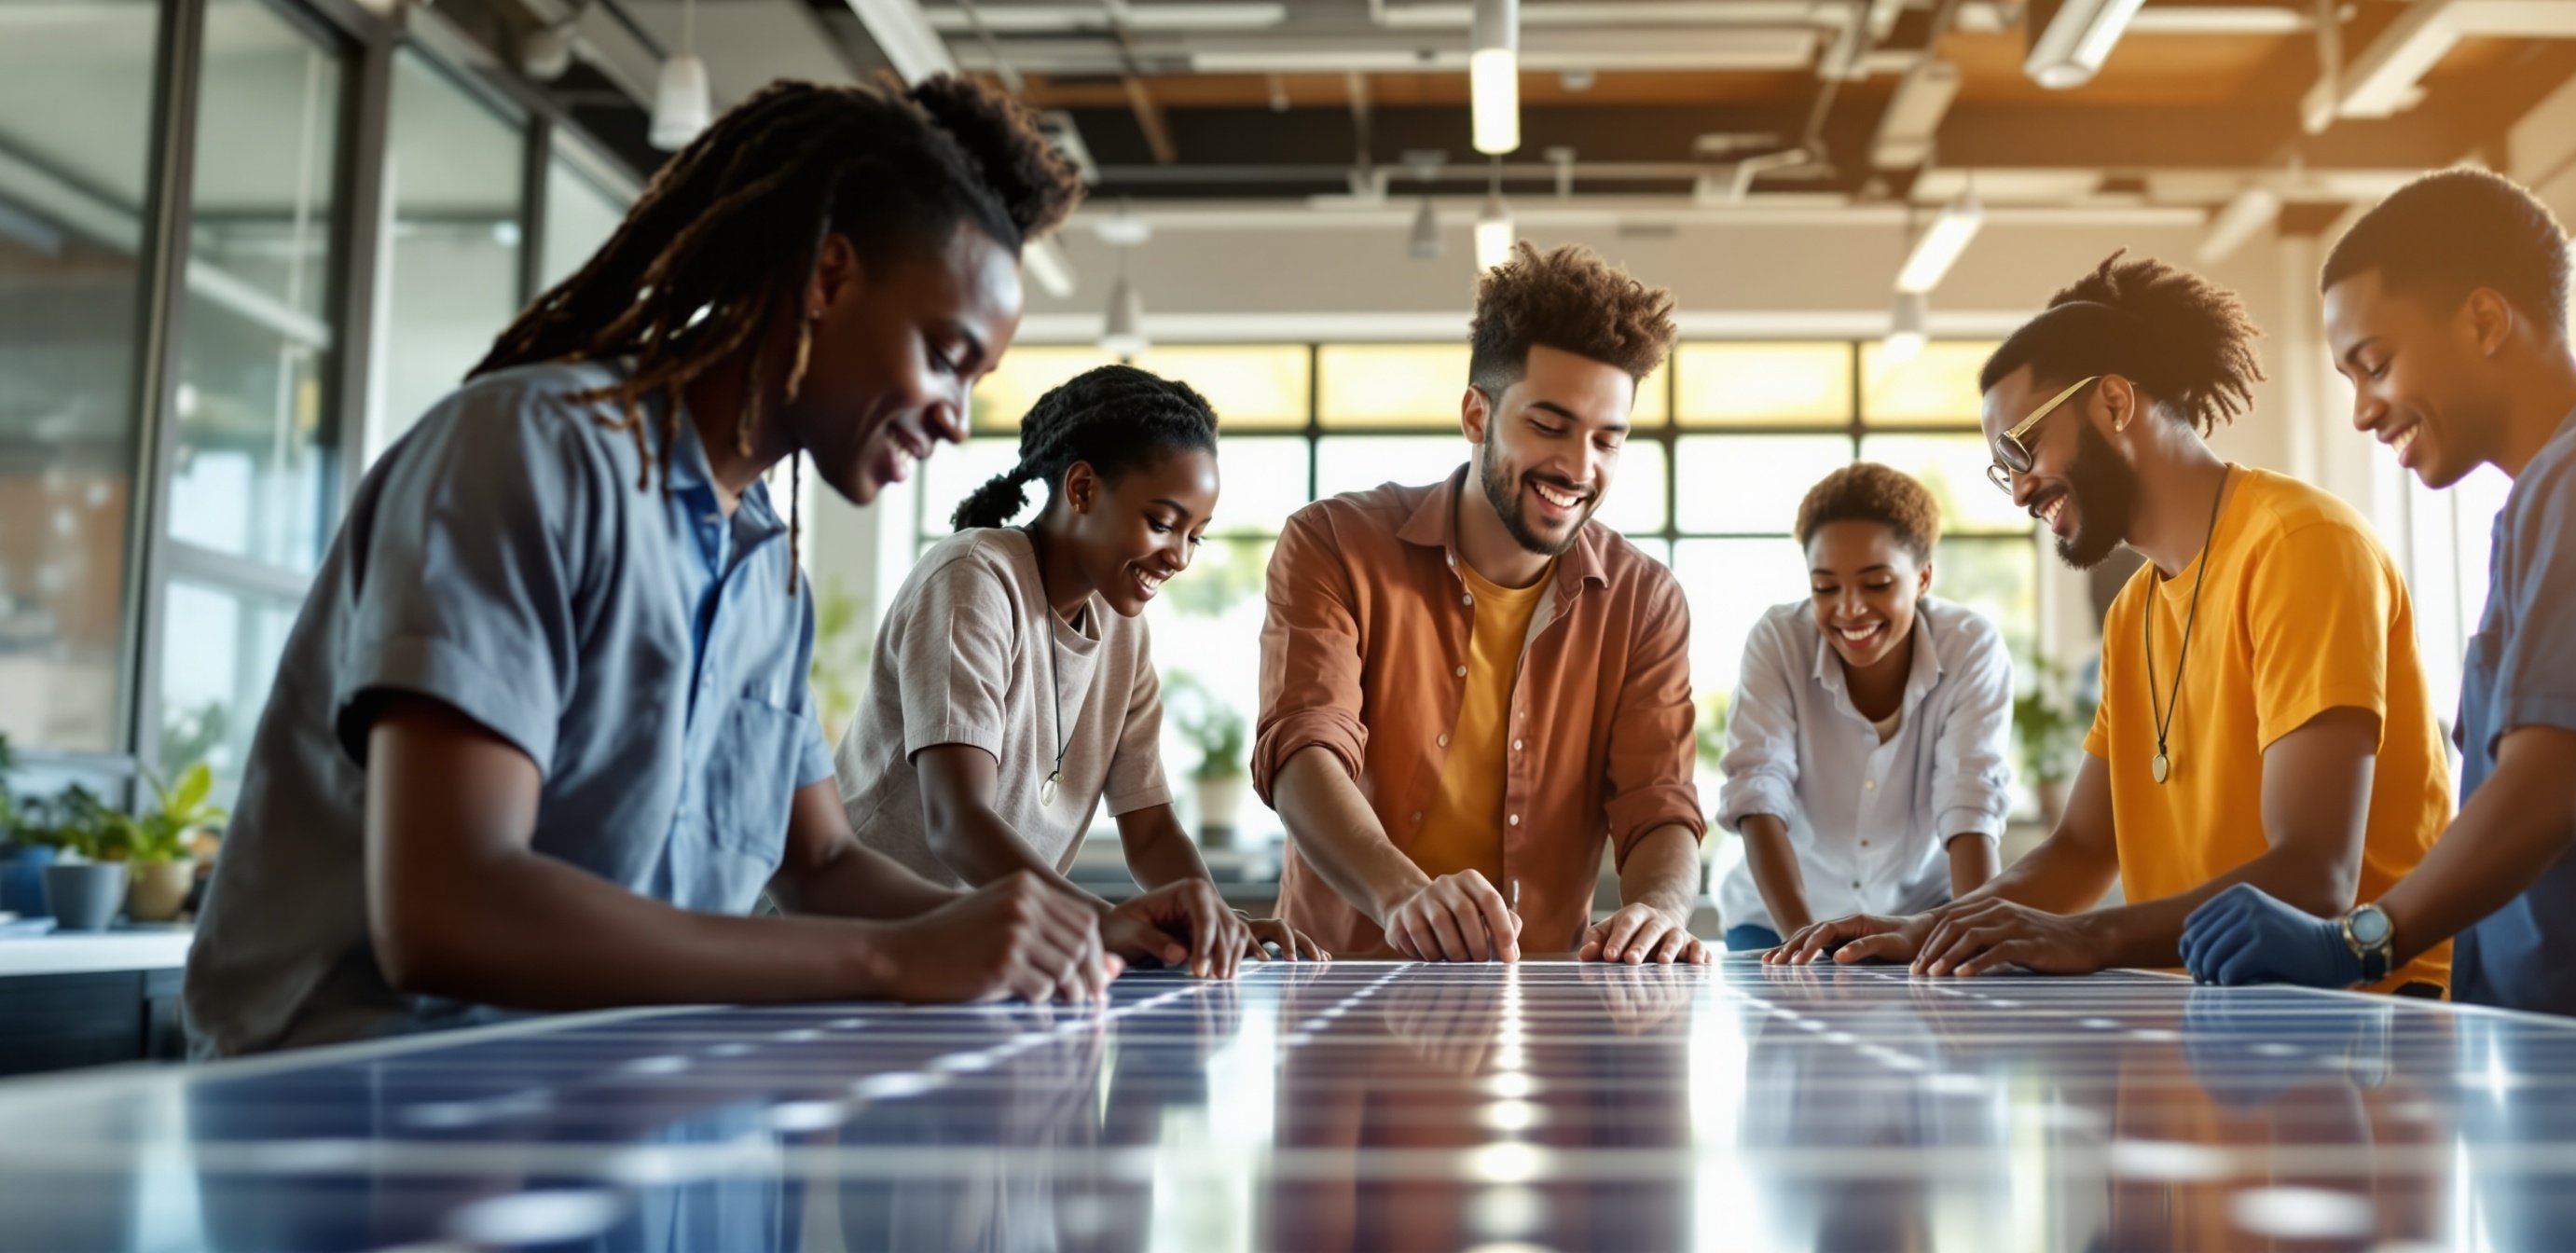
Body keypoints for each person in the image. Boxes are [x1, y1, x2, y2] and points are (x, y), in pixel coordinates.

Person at [184, 74, 1113, 1058]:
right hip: (365, 1117)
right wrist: (891, 963)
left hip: (599, 1088)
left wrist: (1061, 933)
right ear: (828, 278)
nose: (956, 419)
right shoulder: (528, 452)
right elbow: (448, 908)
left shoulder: (767, 566)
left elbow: (827, 863)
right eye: (946, 354)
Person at [2182, 170, 2576, 1041]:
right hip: (2573, 1047)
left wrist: (2358, 939)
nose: (2364, 410)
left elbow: (2548, 785)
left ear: (2484, 320)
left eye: (2375, 364)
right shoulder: (2552, 499)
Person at [1772, 253, 2454, 998]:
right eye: (2003, 469)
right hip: (2227, 1011)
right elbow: (2080, 849)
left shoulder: (2301, 545)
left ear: (2114, 404)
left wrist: (2089, 936)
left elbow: (2313, 876)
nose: (2019, 490)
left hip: (2370, 1023)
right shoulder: (2135, 610)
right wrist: (1921, 930)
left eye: (2020, 450)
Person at [1253, 241, 1707, 964]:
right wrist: (1402, 893)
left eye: (1606, 441)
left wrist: (1658, 909)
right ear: (1476, 414)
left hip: (1541, 1003)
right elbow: (1304, 747)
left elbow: (1660, 800)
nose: (1579, 467)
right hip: (1339, 987)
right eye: (1549, 426)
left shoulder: (1645, 600)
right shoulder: (1334, 543)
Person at [833, 364, 1326, 978]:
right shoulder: (971, 578)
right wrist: (1101, 922)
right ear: (1083, 489)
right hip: (843, 945)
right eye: (1163, 522)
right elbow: (957, 824)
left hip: (976, 959)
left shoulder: (1123, 629)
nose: (1178, 556)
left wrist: (1214, 919)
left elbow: (1148, 829)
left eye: (1195, 535)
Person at [1713, 462, 2012, 951]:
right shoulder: (1779, 641)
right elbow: (1758, 790)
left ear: (1922, 578)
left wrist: (1971, 942)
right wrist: (1803, 945)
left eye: (1876, 584)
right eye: (1825, 587)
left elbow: (1970, 802)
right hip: (1774, 916)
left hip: (1918, 914)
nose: (1849, 608)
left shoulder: (1970, 648)